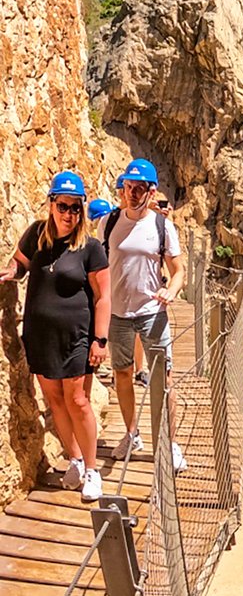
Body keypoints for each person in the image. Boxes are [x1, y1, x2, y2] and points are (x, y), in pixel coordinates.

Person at [1, 173, 110, 501]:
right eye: (63, 206)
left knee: (77, 400)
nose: (69, 214)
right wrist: (12, 272)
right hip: (40, 334)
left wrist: (100, 340)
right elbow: (18, 263)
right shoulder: (36, 234)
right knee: (54, 400)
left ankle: (93, 470)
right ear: (51, 205)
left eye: (76, 208)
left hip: (75, 336)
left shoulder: (90, 248)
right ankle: (74, 459)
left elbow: (104, 296)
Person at [101, 159, 187, 472]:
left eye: (140, 188)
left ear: (151, 192)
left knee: (164, 378)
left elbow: (178, 272)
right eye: (128, 187)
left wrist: (171, 292)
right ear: (122, 189)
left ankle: (170, 443)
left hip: (152, 312)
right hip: (118, 313)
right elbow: (101, 266)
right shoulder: (109, 223)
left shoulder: (162, 227)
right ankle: (131, 433)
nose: (133, 193)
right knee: (122, 374)